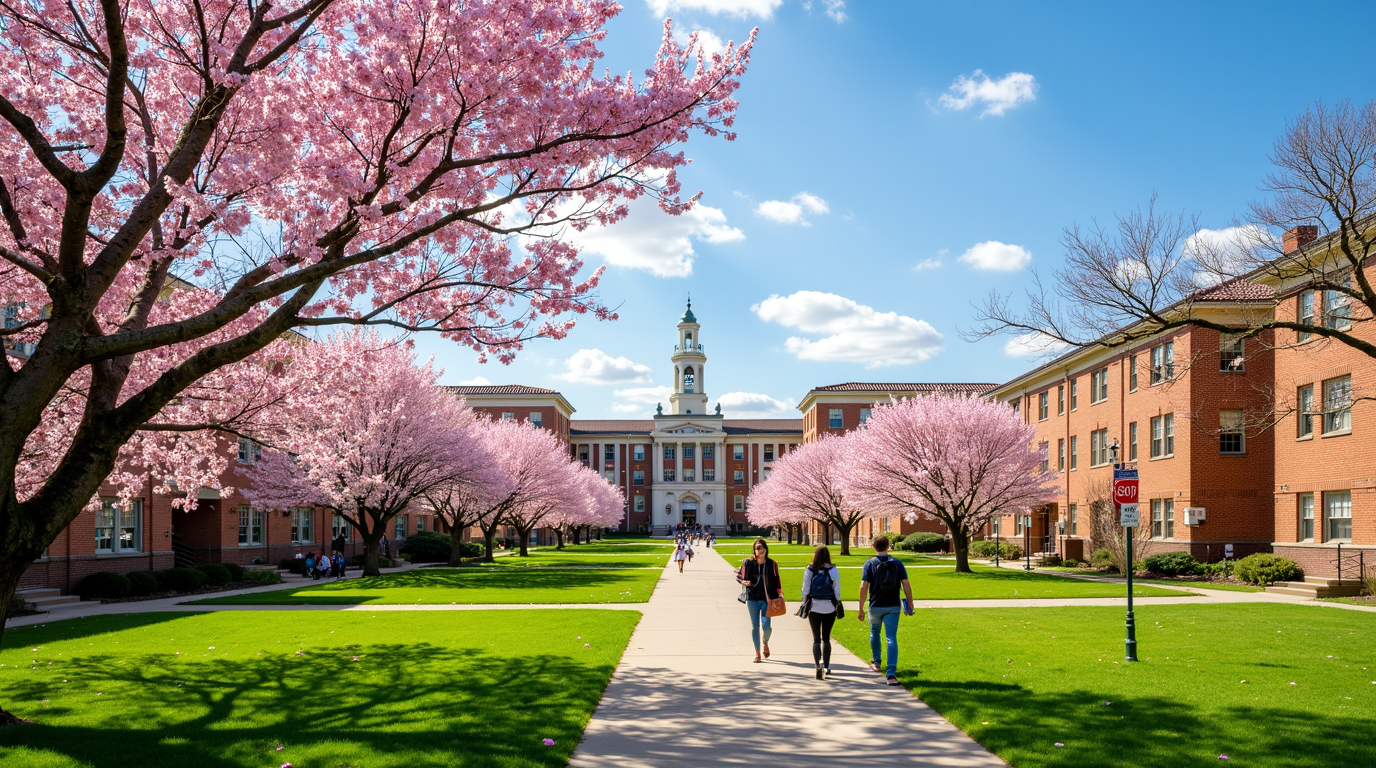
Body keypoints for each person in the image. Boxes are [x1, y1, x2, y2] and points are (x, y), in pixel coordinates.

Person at [857, 535, 914, 686]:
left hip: (875, 605)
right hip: (893, 605)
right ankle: (891, 673)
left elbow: (863, 587)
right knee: (891, 637)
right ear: (888, 546)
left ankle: (876, 662)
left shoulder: (869, 564)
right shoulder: (897, 563)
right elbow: (906, 584)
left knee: (874, 632)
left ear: (874, 547)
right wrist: (910, 602)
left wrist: (861, 608)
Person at [737, 537, 782, 663]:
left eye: (760, 548)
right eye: (756, 548)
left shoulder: (772, 564)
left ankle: (765, 642)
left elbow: (777, 580)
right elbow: (740, 576)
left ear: (765, 549)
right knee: (754, 626)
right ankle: (757, 653)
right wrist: (743, 582)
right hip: (753, 599)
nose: (758, 550)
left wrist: (779, 594)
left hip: (768, 599)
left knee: (767, 625)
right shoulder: (748, 563)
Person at [801, 545, 841, 680]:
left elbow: (805, 589)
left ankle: (818, 665)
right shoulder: (833, 569)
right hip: (829, 607)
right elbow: (837, 589)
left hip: (814, 607)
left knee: (816, 639)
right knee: (826, 638)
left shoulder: (810, 569)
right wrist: (836, 602)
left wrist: (804, 602)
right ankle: (827, 666)